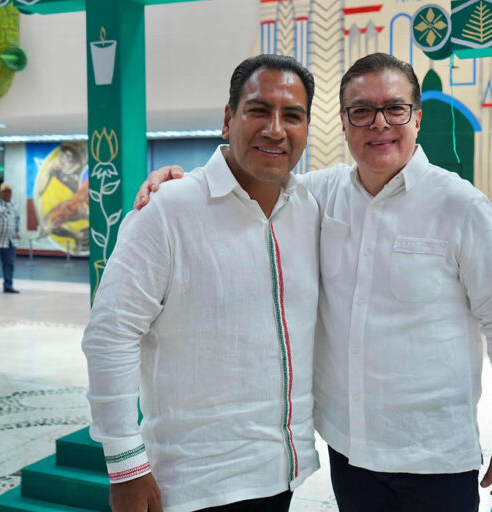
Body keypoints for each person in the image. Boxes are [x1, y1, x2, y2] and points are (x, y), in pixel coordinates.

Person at [138, 53, 492, 512]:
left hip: (434, 454)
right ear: (344, 124)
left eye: (395, 108)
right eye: (361, 111)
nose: (379, 123)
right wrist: (180, 183)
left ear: (417, 118)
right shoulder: (318, 195)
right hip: (349, 452)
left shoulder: (461, 207)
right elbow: (246, 182)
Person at [81, 55, 321, 512]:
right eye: (258, 110)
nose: (275, 129)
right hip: (193, 485)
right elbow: (110, 336)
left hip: (281, 474)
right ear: (229, 119)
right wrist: (125, 465)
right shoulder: (167, 211)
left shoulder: (310, 208)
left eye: (292, 116)